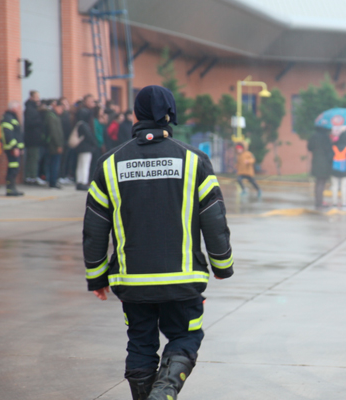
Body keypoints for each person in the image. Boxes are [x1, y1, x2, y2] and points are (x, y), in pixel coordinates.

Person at [82, 85, 234, 400]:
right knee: (185, 335)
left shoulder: (109, 164)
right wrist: (222, 265)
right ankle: (165, 389)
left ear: (136, 115)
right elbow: (214, 220)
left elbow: (94, 229)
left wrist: (96, 276)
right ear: (170, 116)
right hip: (183, 280)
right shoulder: (194, 161)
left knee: (140, 341)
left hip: (132, 281)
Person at [0, 101, 25, 196]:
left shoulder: (12, 117)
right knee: (13, 169)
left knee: (15, 168)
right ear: (13, 108)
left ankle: (12, 188)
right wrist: (14, 147)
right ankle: (10, 189)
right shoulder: (8, 118)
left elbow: (18, 134)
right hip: (11, 148)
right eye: (18, 108)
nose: (19, 110)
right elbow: (8, 134)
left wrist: (20, 147)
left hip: (15, 148)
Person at [23, 90, 46, 186]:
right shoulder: (30, 109)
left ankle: (31, 176)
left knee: (33, 158)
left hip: (34, 138)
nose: (38, 99)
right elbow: (31, 123)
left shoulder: (33, 108)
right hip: (32, 139)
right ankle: (31, 177)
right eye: (36, 97)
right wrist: (41, 115)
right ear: (31, 97)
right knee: (33, 158)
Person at [307, 126, 333, 208]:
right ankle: (320, 202)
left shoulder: (313, 136)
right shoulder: (325, 137)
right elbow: (329, 150)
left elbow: (309, 147)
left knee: (318, 182)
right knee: (322, 182)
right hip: (324, 162)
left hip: (316, 161)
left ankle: (318, 201)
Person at [43, 99, 65, 189]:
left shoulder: (55, 116)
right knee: (54, 164)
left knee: (55, 163)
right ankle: (52, 181)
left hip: (56, 144)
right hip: (53, 145)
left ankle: (54, 180)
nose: (62, 111)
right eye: (61, 108)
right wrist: (58, 145)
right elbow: (54, 132)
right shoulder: (51, 116)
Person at [75, 109, 98, 190]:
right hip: (86, 148)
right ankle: (83, 182)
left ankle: (79, 181)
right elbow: (89, 136)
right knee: (85, 166)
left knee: (80, 165)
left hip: (81, 148)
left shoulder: (79, 123)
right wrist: (94, 143)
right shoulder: (85, 125)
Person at [330, 131, 346, 210]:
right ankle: (344, 203)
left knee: (334, 186)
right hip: (345, 171)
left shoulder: (333, 148)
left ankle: (334, 202)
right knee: (344, 187)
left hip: (334, 170)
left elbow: (330, 158)